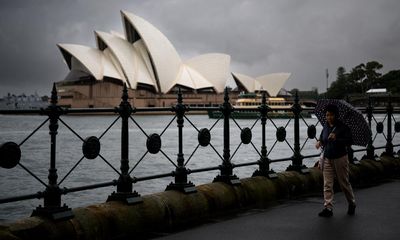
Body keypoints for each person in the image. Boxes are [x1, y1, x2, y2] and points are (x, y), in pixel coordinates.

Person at [315, 104, 356, 217]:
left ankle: (351, 202)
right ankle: (328, 208)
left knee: (344, 183)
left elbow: (349, 141)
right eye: (327, 115)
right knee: (327, 184)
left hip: (340, 157)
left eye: (331, 115)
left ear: (336, 115)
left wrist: (337, 138)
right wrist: (320, 142)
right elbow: (323, 138)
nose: (329, 117)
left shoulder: (343, 127)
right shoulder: (326, 126)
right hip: (327, 157)